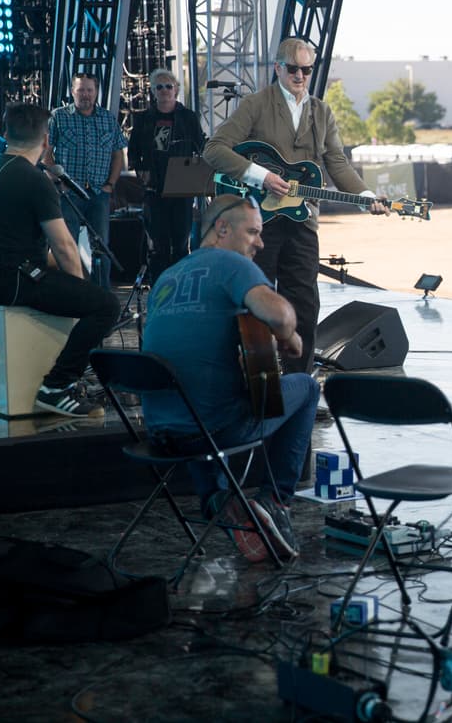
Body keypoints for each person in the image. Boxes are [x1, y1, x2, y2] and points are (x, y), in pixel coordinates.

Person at [142, 195, 319, 562]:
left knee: (195, 395)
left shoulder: (167, 276)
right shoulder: (231, 264)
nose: (261, 243)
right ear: (222, 229)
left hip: (161, 435)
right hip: (216, 431)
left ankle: (217, 499)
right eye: (253, 232)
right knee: (306, 387)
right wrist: (290, 337)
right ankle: (276, 500)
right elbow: (281, 317)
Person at [204, 38, 385, 374]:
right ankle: (254, 383)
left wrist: (367, 198)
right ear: (278, 68)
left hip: (303, 222)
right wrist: (261, 176)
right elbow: (214, 149)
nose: (300, 75)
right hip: (259, 223)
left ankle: (297, 384)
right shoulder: (257, 104)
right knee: (255, 300)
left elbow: (337, 163)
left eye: (306, 69)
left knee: (304, 304)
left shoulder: (322, 111)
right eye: (293, 68)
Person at [0, 103, 120, 417]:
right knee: (105, 305)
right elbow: (63, 246)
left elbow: (11, 237)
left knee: (78, 277)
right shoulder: (36, 181)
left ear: (5, 134)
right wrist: (80, 296)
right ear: (47, 140)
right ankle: (57, 386)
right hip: (11, 281)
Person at [44, 72, 127, 289]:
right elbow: (46, 152)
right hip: (68, 193)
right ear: (72, 91)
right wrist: (56, 179)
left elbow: (118, 153)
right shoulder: (58, 117)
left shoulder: (108, 118)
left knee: (101, 246)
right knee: (66, 244)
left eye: (90, 90)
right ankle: (70, 292)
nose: (85, 95)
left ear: (97, 92)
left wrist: (111, 184)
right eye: (81, 90)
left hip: (99, 192)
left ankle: (102, 294)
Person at [127, 68, 207, 282]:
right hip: (154, 185)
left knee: (181, 243)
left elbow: (202, 148)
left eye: (168, 86)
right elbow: (133, 150)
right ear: (153, 91)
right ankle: (159, 289)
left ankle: (181, 288)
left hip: (181, 183)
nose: (164, 91)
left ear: (176, 90)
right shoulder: (143, 119)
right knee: (157, 244)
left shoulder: (188, 117)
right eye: (159, 87)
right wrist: (139, 169)